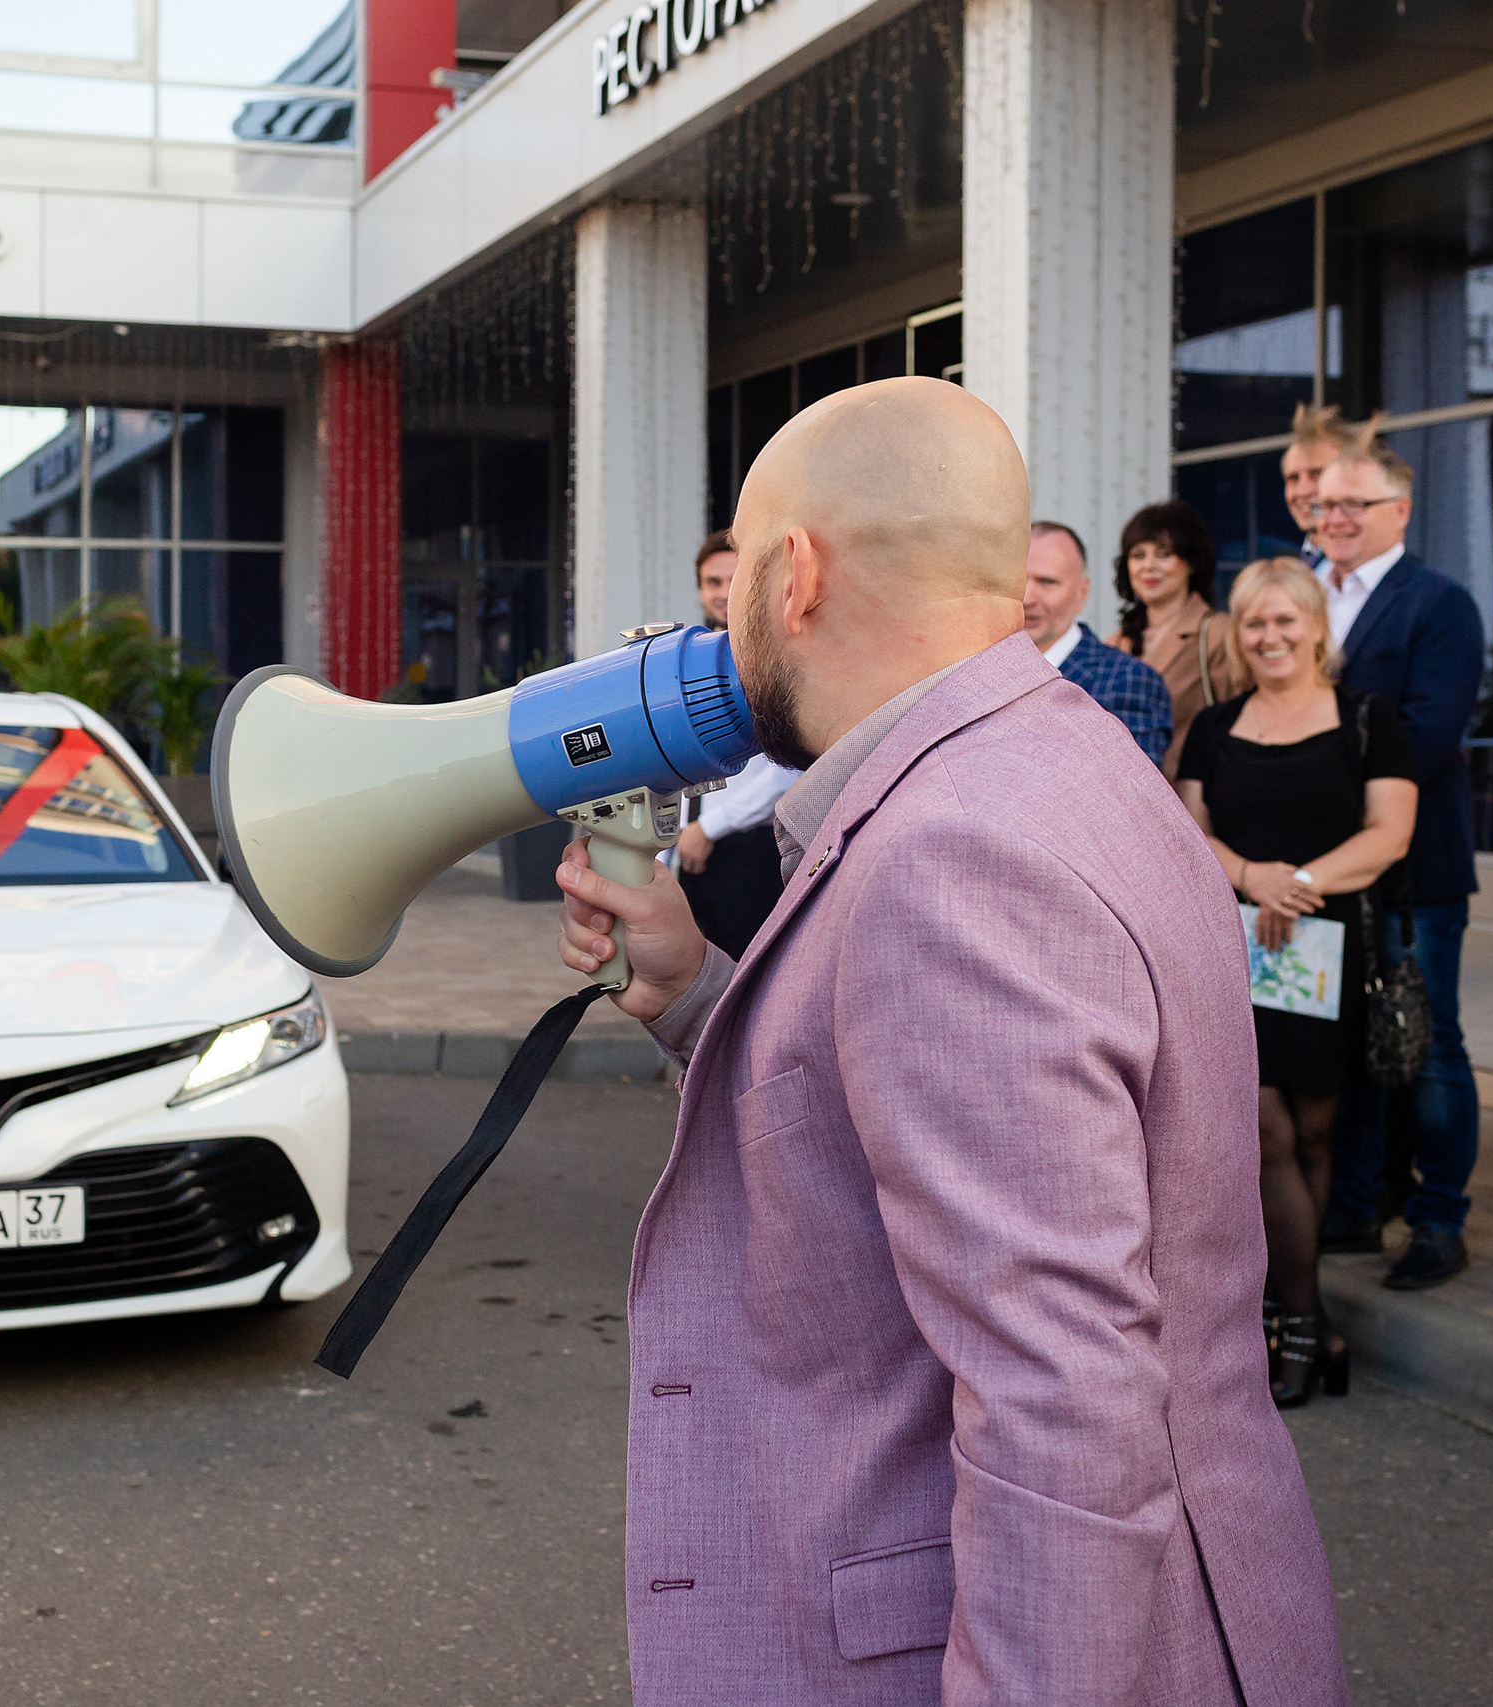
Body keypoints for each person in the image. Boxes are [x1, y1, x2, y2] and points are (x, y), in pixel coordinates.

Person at [551, 377, 1345, 1703]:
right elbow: (901, 1117)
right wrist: (699, 989)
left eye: (740, 569)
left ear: (794, 573)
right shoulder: (1063, 759)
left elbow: (1063, 1411)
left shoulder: (950, 850)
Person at [1177, 559, 1418, 1407]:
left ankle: (1290, 1317)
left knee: (1315, 1134)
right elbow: (1184, 828)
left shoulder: (1366, 719)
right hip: (1236, 945)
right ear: (1238, 635)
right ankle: (1308, 1326)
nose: (1270, 637)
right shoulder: (1213, 725)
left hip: (1328, 947)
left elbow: (1390, 834)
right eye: (1254, 624)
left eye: (1286, 621)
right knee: (1265, 1131)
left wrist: (1297, 881)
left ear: (1317, 624)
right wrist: (1251, 875)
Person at [1308, 443, 1487, 1292]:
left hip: (1418, 862)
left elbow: (1428, 732)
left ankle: (1439, 1218)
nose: (1333, 517)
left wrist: (1319, 791)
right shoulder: (1309, 595)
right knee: (1351, 1041)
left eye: (1354, 504)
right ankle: (1355, 1202)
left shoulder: (1439, 604)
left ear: (1400, 510)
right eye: (1322, 504)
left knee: (1428, 1042)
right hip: (1329, 863)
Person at [673, 530, 800, 957]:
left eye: (734, 579)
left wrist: (709, 828)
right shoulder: (681, 662)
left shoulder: (777, 661)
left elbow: (789, 770)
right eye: (713, 583)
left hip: (748, 852)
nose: (724, 593)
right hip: (688, 853)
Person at [1023, 519, 1173, 764]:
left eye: (1047, 582)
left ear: (1082, 592)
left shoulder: (1129, 681)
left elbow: (1127, 792)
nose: (1027, 597)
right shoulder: (973, 673)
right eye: (1017, 580)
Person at [1112, 499, 1242, 777]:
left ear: (1191, 562)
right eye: (1138, 554)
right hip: (1122, 800)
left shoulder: (1220, 633)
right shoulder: (1113, 644)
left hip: (1192, 799)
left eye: (1163, 553)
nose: (1148, 566)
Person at [1281, 405, 1379, 567]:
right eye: (1293, 478)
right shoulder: (1294, 569)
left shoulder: (1376, 566)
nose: (1303, 491)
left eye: (1317, 475)